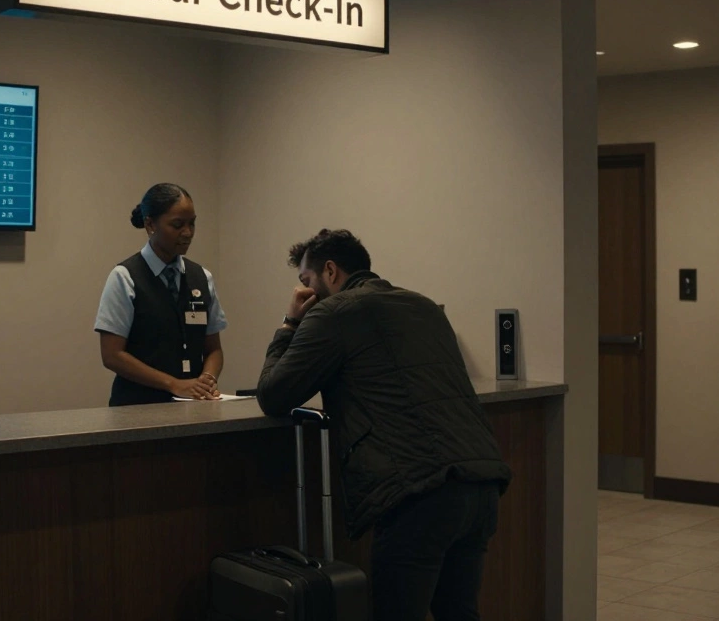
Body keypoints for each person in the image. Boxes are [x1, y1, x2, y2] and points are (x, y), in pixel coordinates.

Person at [256, 229, 511, 621]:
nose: (305, 293)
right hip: (480, 481)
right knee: (459, 614)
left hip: (418, 493)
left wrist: (290, 322)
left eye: (307, 283)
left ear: (330, 270)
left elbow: (274, 394)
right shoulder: (423, 306)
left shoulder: (333, 313)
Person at [95, 183, 227, 405]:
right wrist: (174, 384)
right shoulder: (125, 277)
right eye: (177, 225)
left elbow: (213, 348)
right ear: (150, 225)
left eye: (192, 223)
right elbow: (112, 355)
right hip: (136, 410)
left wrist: (206, 380)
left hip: (192, 409)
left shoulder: (202, 278)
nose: (188, 233)